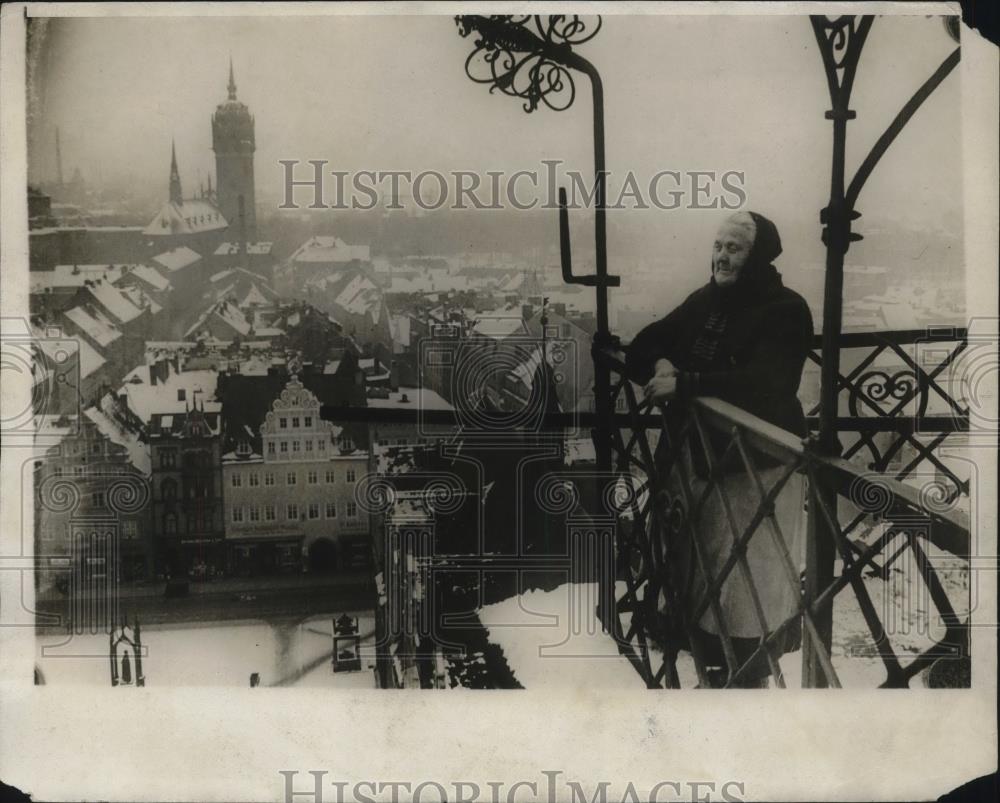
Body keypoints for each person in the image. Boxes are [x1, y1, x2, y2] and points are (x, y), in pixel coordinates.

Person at [625, 210, 813, 688]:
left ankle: (748, 673)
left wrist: (684, 382)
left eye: (734, 248)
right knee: (707, 569)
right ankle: (709, 658)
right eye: (718, 245)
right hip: (706, 455)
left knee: (750, 579)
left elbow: (769, 382)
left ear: (757, 257)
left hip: (759, 462)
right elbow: (644, 344)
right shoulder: (706, 300)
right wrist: (665, 361)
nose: (721, 256)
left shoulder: (786, 308)